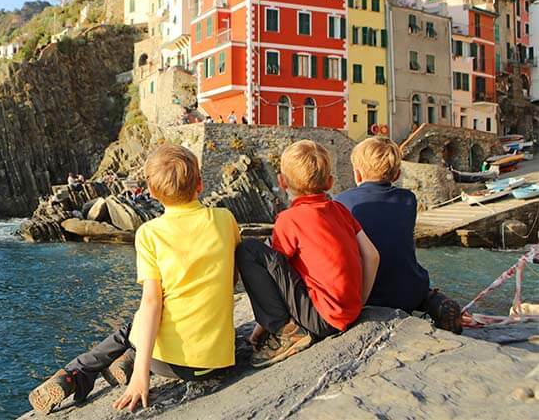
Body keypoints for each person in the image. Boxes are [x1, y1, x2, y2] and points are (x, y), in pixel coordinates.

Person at [28, 145, 241, 414]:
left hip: (167, 364)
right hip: (217, 361)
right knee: (144, 323)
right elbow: (231, 279)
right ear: (200, 183)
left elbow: (153, 303)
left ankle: (77, 373)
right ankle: (126, 361)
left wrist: (142, 377)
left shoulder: (150, 234)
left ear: (151, 192)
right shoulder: (225, 219)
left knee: (129, 329)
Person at [235, 140, 380, 367]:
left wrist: (260, 328)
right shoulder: (341, 209)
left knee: (249, 249)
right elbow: (372, 255)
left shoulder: (289, 219)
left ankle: (286, 333)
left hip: (319, 320)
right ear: (330, 182)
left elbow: (274, 274)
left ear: (282, 182)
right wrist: (358, 303)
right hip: (349, 312)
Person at [334, 137, 463, 333]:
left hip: (368, 293)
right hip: (408, 291)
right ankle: (433, 301)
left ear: (357, 174)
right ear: (397, 174)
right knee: (414, 281)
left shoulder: (341, 202)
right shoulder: (408, 200)